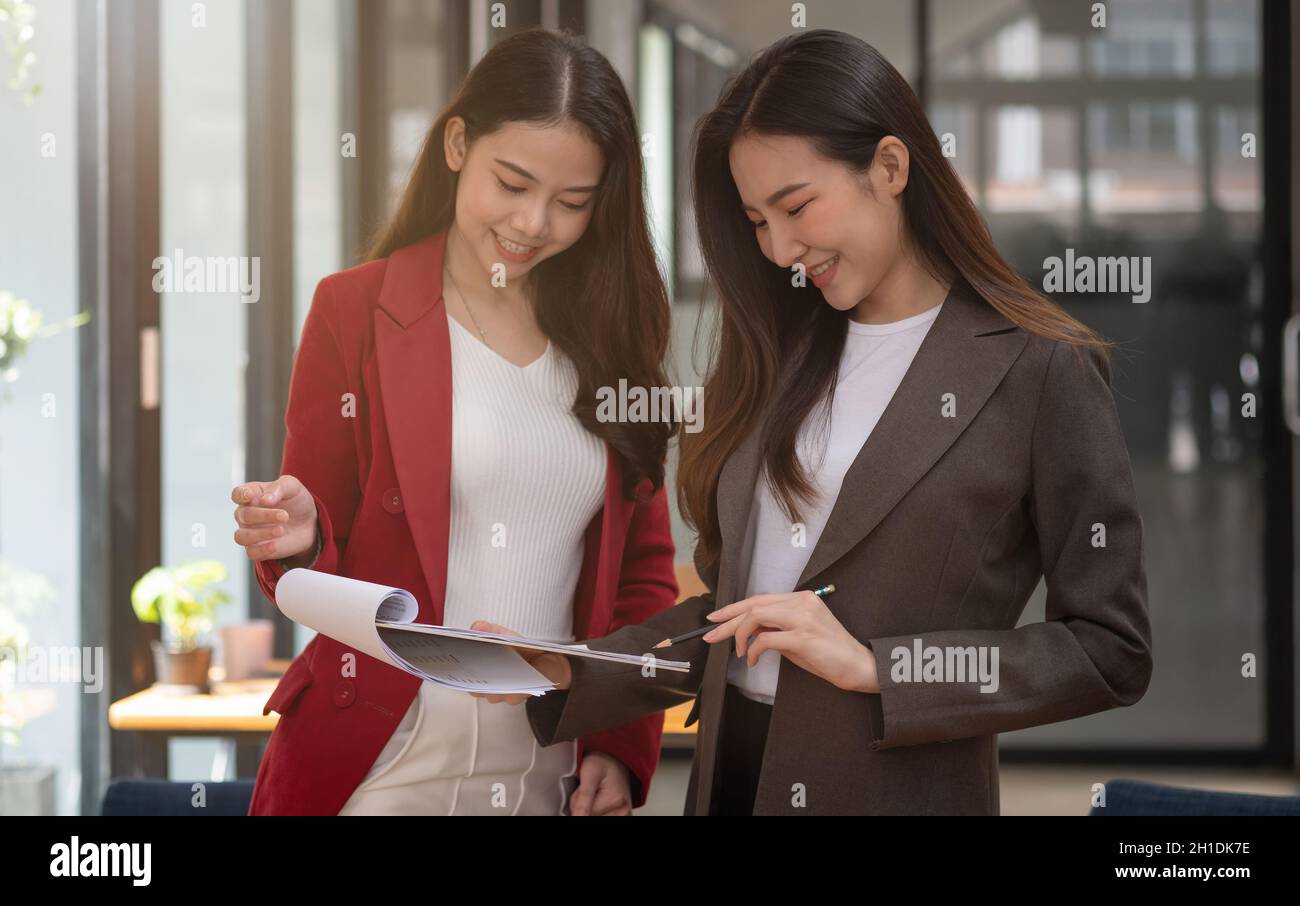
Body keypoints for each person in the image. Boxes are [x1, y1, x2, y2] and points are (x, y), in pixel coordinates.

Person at [474, 29, 1153, 816]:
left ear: (890, 168)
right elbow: (736, 615)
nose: (781, 248)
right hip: (731, 777)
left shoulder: (1041, 371)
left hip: (894, 792)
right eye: (758, 221)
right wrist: (572, 667)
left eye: (796, 206)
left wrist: (883, 669)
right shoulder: (779, 350)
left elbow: (1111, 648)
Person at [231, 28, 677, 816]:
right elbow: (305, 560)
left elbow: (642, 576)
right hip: (377, 765)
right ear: (457, 144)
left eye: (572, 202)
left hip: (549, 768)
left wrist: (619, 738)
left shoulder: (616, 336)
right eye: (513, 182)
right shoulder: (354, 310)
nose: (534, 222)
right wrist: (298, 534)